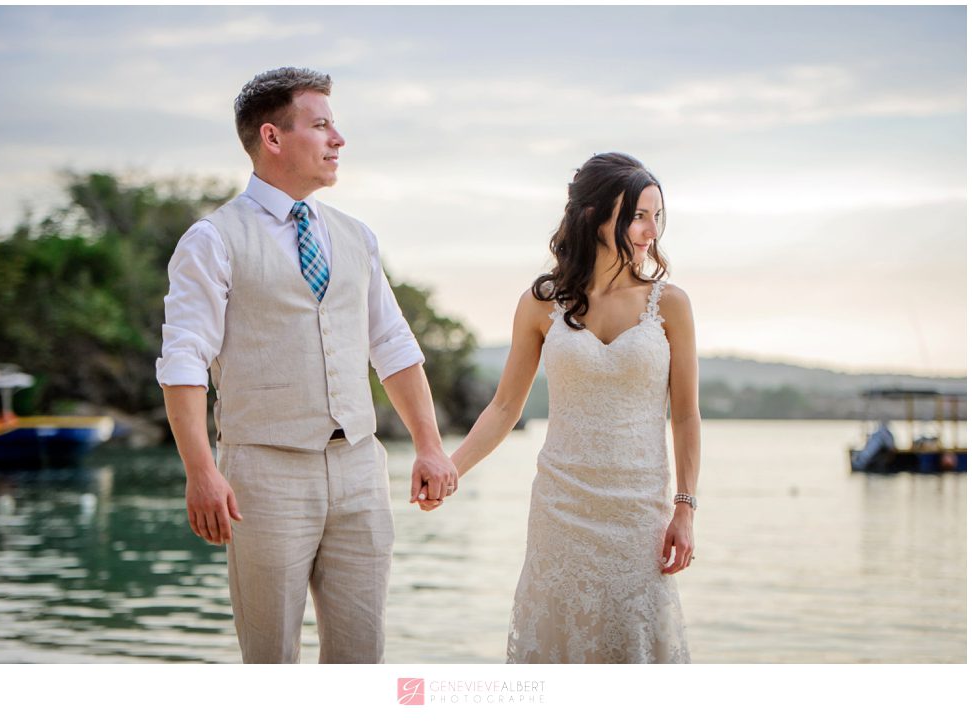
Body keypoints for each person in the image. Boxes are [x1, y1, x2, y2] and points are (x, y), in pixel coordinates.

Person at [156, 66, 458, 664]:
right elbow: (184, 360)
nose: (338, 139)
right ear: (272, 137)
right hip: (263, 474)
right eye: (320, 126)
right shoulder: (212, 240)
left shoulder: (356, 236)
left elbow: (392, 343)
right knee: (271, 659)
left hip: (360, 468)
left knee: (362, 656)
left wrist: (429, 445)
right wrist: (201, 471)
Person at [450, 153, 698, 663]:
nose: (651, 231)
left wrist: (685, 508)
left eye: (657, 216)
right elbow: (504, 407)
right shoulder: (541, 302)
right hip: (561, 510)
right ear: (593, 215)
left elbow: (686, 415)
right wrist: (450, 470)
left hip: (638, 514)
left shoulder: (670, 303)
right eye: (638, 216)